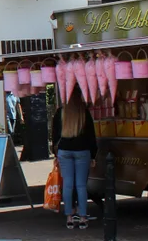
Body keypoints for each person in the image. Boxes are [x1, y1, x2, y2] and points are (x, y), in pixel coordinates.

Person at [52, 85, 97, 230]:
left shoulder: (60, 113)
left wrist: (55, 154)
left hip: (64, 151)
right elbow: (91, 136)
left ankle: (69, 218)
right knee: (81, 185)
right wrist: (93, 155)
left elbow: (55, 135)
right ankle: (83, 217)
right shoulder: (84, 112)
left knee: (68, 184)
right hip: (82, 150)